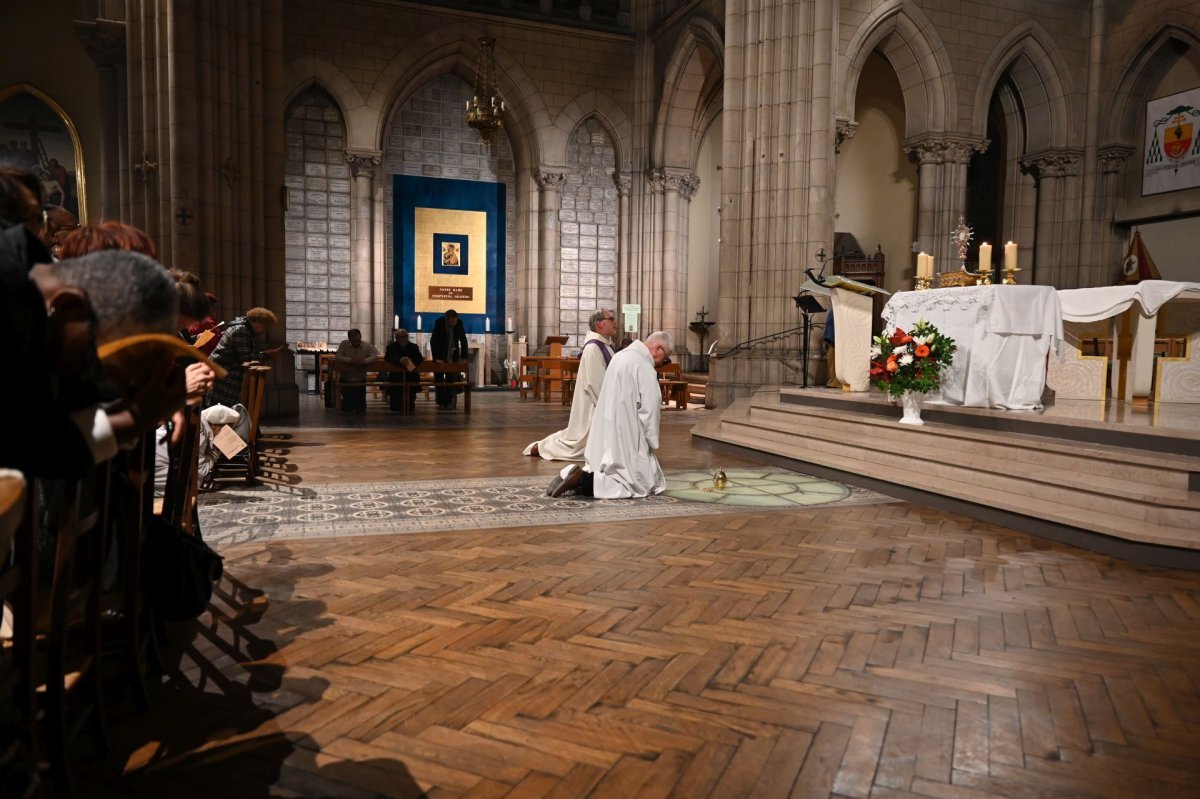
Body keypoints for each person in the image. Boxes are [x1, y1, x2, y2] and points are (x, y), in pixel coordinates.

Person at [547, 331, 673, 499]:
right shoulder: (643, 366)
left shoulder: (620, 356)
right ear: (658, 349)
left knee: (604, 466)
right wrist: (652, 441)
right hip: (627, 432)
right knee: (633, 483)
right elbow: (649, 410)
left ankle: (567, 473)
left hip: (606, 426)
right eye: (665, 359)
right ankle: (581, 481)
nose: (661, 364)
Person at [523, 308, 616, 460]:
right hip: (595, 405)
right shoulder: (593, 348)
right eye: (611, 319)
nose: (615, 322)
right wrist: (609, 409)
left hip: (602, 403)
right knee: (581, 445)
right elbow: (595, 384)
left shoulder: (606, 345)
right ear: (599, 324)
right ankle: (541, 447)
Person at [208, 307, 277, 407]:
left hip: (224, 372)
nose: (264, 331)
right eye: (264, 327)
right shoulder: (241, 330)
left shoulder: (244, 327)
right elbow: (246, 357)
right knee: (222, 410)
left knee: (225, 410)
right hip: (224, 375)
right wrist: (266, 355)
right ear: (257, 321)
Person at [429, 309, 468, 409]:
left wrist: (464, 357)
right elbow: (434, 341)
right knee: (439, 379)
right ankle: (441, 402)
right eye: (451, 322)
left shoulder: (459, 323)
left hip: (453, 354)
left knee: (451, 379)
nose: (453, 324)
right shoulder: (439, 322)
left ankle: (449, 401)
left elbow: (463, 340)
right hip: (440, 354)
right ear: (446, 319)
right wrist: (437, 358)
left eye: (455, 321)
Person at [334, 328, 379, 413]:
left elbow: (375, 356)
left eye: (356, 338)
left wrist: (364, 361)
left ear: (360, 337)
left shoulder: (367, 346)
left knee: (360, 408)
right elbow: (338, 357)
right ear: (349, 338)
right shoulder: (344, 344)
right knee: (348, 408)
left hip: (360, 379)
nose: (355, 340)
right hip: (346, 378)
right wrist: (350, 360)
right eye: (352, 339)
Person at [384, 328, 424, 413]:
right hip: (396, 376)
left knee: (410, 407)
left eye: (404, 336)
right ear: (396, 337)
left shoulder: (413, 346)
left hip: (411, 375)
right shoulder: (391, 347)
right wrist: (400, 360)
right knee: (395, 407)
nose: (403, 339)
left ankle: (410, 403)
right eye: (400, 337)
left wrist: (409, 360)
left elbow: (419, 358)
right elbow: (388, 358)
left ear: (407, 336)